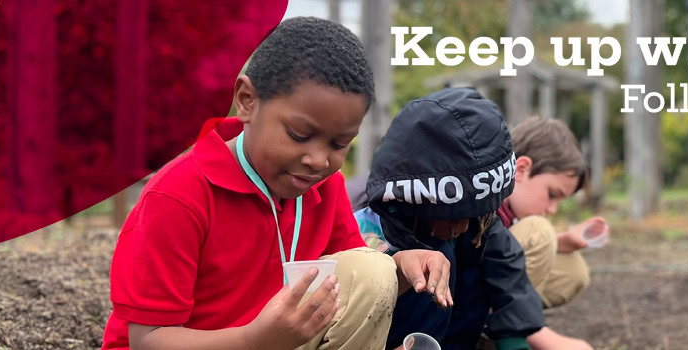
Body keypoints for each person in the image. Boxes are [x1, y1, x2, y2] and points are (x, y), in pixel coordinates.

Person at [101, 17, 450, 350]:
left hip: (273, 342)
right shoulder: (179, 196)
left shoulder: (321, 187)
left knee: (374, 269)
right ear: (247, 101)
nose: (318, 160)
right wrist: (256, 342)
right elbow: (146, 341)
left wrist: (403, 266)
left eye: (338, 144)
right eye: (299, 135)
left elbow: (358, 284)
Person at [358, 88, 544, 350]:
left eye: (474, 216)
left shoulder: (476, 226)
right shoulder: (369, 228)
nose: (463, 226)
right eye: (453, 217)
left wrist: (514, 343)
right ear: (414, 202)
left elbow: (509, 275)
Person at [501, 116, 600, 350]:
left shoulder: (512, 209)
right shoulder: (485, 203)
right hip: (462, 300)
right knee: (538, 230)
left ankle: (493, 334)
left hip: (489, 297)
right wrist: (540, 337)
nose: (552, 209)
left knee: (572, 271)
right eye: (552, 194)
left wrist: (562, 241)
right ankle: (514, 334)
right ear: (521, 169)